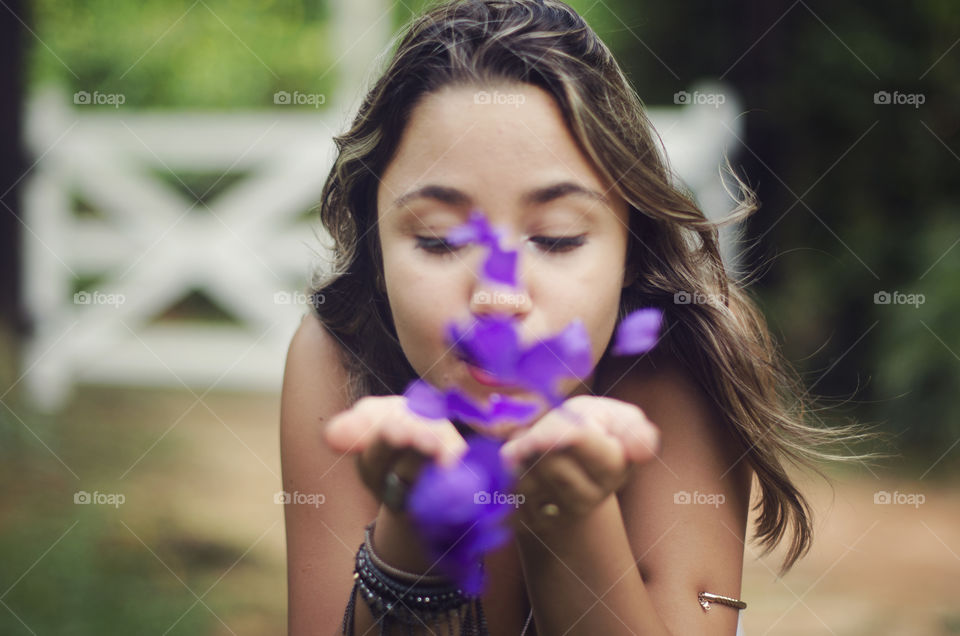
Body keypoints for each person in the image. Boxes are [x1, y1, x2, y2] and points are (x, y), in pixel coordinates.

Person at [280, 1, 879, 634]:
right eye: (439, 238)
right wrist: (414, 536)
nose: (498, 296)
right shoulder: (338, 354)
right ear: (376, 252)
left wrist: (570, 519)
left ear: (630, 248)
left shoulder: (682, 350)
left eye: (558, 238)